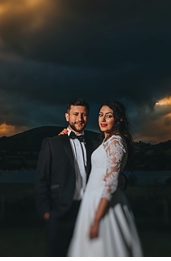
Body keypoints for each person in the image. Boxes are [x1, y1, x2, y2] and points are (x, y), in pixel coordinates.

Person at [68, 100, 143, 257]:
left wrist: (97, 219)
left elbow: (110, 182)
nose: (102, 119)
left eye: (108, 116)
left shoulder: (115, 141)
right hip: (93, 200)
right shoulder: (106, 141)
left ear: (118, 119)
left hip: (104, 204)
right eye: (100, 115)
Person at [36, 98, 100, 257]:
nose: (80, 118)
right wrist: (46, 212)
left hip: (88, 214)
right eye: (76, 114)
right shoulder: (52, 143)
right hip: (60, 213)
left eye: (84, 114)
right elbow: (41, 179)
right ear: (67, 116)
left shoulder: (95, 145)